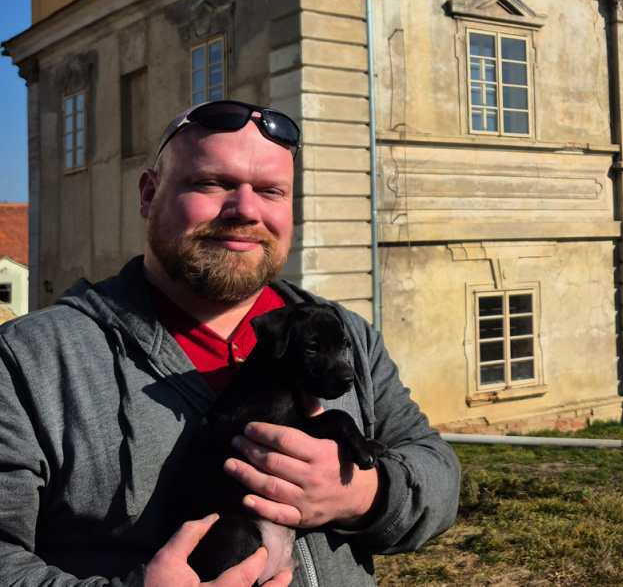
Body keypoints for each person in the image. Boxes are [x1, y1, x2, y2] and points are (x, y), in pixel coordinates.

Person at [0, 100, 460, 586]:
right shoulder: (30, 360)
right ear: (149, 194)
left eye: (270, 191)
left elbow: (439, 475)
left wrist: (364, 495)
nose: (246, 210)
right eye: (212, 183)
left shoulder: (348, 336)